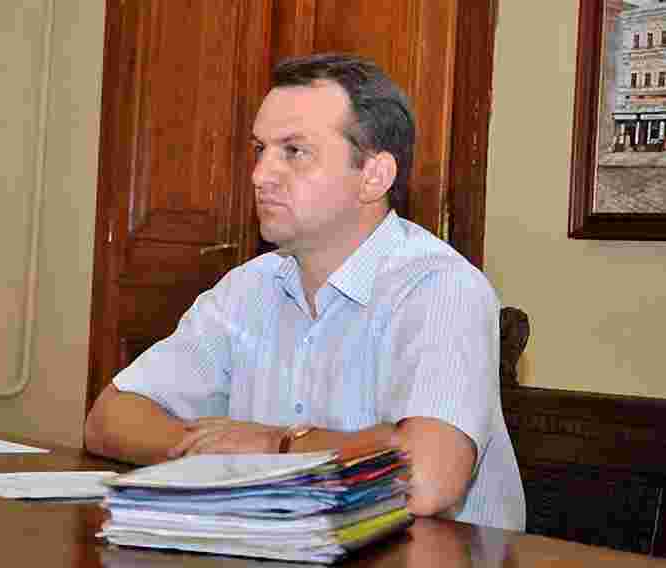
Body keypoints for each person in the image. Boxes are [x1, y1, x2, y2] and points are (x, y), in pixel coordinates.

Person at [85, 53, 525, 531]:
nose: (260, 175)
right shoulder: (248, 287)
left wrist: (273, 446)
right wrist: (214, 450)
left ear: (374, 176)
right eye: (260, 150)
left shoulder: (441, 288)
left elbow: (428, 476)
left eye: (294, 151)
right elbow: (108, 418)